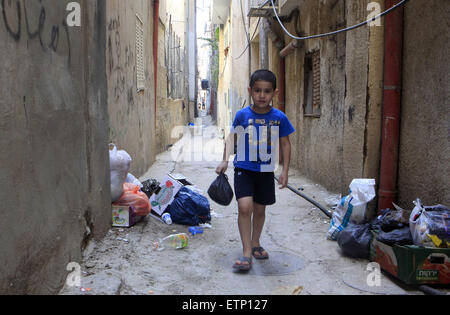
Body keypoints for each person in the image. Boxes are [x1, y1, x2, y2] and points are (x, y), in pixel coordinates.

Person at [216, 69, 295, 271]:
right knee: (245, 207)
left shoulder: (279, 117)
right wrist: (225, 160)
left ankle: (256, 241)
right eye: (258, 90)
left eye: (267, 91)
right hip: (244, 168)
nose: (262, 95)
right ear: (250, 91)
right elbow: (232, 138)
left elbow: (285, 144)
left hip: (266, 171)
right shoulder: (242, 115)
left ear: (274, 93)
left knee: (260, 210)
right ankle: (246, 252)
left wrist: (285, 171)